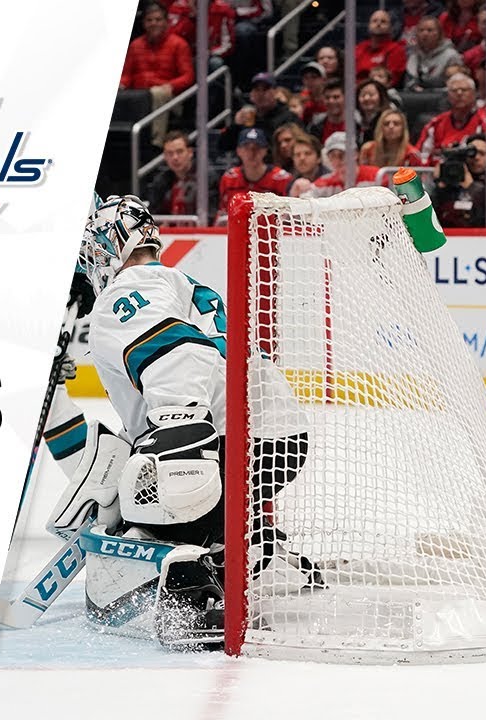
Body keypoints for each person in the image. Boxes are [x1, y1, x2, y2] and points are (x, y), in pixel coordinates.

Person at [51, 194, 322, 647]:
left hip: (221, 443)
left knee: (129, 531)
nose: (88, 263)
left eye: (91, 251)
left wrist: (181, 436)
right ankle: (251, 545)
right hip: (276, 438)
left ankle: (198, 587)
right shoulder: (174, 281)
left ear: (109, 244)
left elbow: (178, 351)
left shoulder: (125, 289)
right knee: (132, 470)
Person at [120, 3, 195, 145]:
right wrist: (121, 85)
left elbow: (188, 77)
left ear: (166, 22)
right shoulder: (135, 45)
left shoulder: (179, 44)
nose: (153, 23)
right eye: (149, 20)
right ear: (143, 24)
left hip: (170, 97)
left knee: (158, 93)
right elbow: (126, 75)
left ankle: (157, 143)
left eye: (158, 19)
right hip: (139, 95)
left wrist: (170, 85)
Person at [431, 134, 486, 227]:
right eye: (471, 153)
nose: (476, 157)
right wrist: (440, 186)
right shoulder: (450, 186)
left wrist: (472, 187)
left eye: (482, 153)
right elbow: (431, 215)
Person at [217, 128, 295, 223]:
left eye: (257, 148)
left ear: (265, 150)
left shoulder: (281, 178)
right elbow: (222, 213)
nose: (252, 153)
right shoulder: (229, 178)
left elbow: (289, 216)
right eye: (246, 147)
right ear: (238, 151)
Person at [416, 72, 486, 165]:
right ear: (448, 96)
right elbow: (421, 157)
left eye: (464, 90)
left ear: (474, 94)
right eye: (454, 90)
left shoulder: (484, 122)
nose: (459, 93)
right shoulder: (436, 124)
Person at [144, 131, 217, 219]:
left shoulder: (206, 178)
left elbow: (210, 215)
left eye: (179, 152)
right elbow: (152, 214)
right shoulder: (160, 181)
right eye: (170, 153)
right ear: (165, 156)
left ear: (190, 153)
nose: (175, 157)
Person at [405, 16, 464, 90]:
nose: (425, 34)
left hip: (443, 94)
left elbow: (457, 85)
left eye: (430, 30)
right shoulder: (413, 55)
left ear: (439, 34)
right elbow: (409, 83)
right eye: (421, 30)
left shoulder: (451, 55)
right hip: (417, 95)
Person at [355, 10, 408, 86]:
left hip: (380, 89)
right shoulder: (360, 47)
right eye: (374, 21)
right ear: (369, 26)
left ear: (390, 28)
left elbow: (392, 79)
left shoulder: (396, 49)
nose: (378, 24)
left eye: (383, 22)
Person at [359, 109, 425, 167]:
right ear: (381, 128)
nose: (391, 126)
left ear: (403, 129)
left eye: (396, 123)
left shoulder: (412, 154)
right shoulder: (368, 149)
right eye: (386, 124)